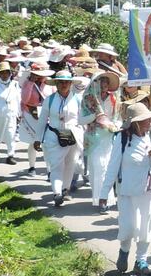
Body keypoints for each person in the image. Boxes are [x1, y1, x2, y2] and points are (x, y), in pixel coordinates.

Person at [99, 103, 151, 276]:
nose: (149, 122)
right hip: (127, 191)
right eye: (145, 120)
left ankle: (141, 260)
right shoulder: (122, 139)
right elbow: (112, 167)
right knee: (128, 227)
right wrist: (104, 193)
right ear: (135, 123)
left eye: (149, 119)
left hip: (149, 190)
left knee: (146, 227)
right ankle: (124, 250)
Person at [39, 70, 84, 207]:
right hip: (54, 135)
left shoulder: (77, 99)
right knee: (56, 165)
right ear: (56, 84)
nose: (64, 84)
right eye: (61, 82)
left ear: (71, 83)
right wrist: (38, 139)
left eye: (66, 82)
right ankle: (57, 193)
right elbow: (42, 120)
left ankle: (65, 189)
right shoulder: (49, 99)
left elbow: (82, 119)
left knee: (71, 163)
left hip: (73, 135)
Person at [79, 71, 122, 212]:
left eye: (106, 81)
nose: (104, 84)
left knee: (106, 168)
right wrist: (96, 116)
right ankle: (99, 198)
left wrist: (114, 125)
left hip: (109, 138)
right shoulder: (87, 100)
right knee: (96, 168)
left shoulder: (114, 99)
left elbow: (118, 118)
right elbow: (81, 120)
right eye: (101, 81)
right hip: (93, 139)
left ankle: (105, 200)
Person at [18, 63, 53, 174]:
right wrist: (31, 83)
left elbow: (52, 98)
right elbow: (24, 99)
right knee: (34, 141)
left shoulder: (49, 83)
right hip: (30, 113)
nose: (40, 77)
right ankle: (32, 166)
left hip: (46, 114)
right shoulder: (27, 83)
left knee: (47, 143)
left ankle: (50, 170)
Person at [0, 61, 21, 165]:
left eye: (6, 72)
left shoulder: (15, 84)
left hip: (11, 113)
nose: (4, 75)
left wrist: (19, 113)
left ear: (10, 73)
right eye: (2, 73)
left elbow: (18, 100)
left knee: (11, 134)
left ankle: (10, 155)